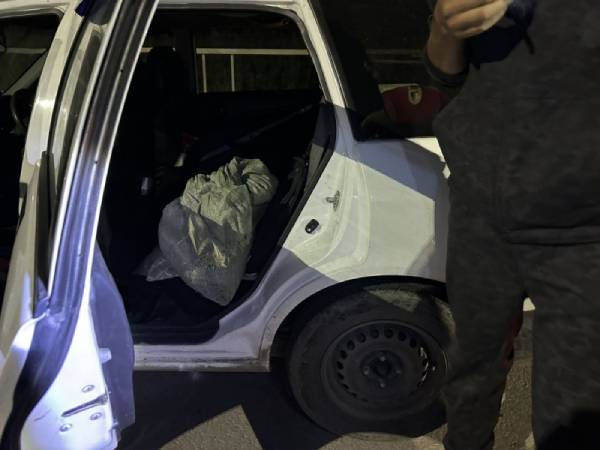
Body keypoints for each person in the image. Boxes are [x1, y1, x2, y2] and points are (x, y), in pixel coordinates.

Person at [423, 1, 600, 449]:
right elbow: (444, 75)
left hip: (582, 231)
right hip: (481, 212)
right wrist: (445, 26)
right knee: (470, 371)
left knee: (573, 410)